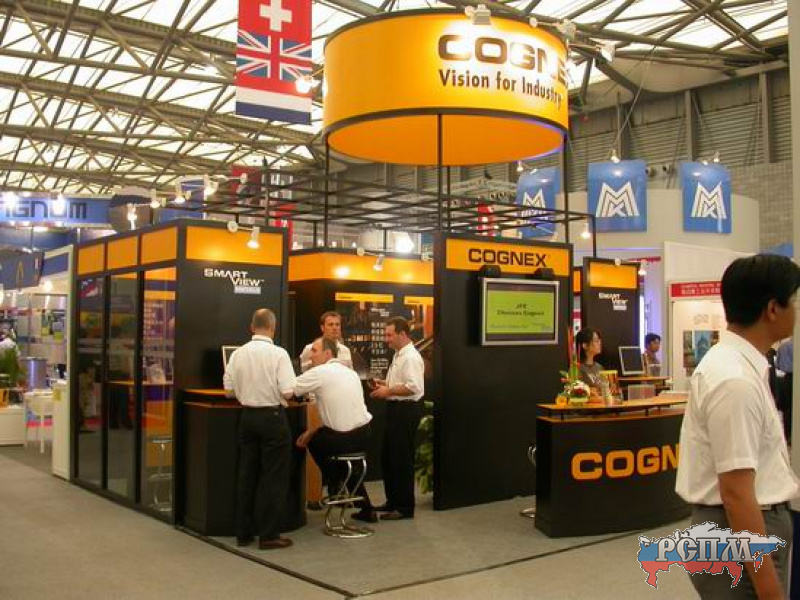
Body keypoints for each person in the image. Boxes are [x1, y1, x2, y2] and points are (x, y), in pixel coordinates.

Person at [676, 254, 800, 599]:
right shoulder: (735, 380)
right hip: (740, 537)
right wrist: (770, 592)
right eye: (793, 301)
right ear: (772, 309)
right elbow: (736, 493)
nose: (796, 310)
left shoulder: (738, 366)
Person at [223, 308, 296, 550]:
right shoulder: (279, 354)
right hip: (272, 418)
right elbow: (288, 392)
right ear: (273, 328)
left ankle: (243, 533)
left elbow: (228, 391)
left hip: (247, 417)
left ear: (251, 327)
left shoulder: (237, 354)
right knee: (273, 477)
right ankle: (269, 535)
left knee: (247, 474)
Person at [294, 337, 376, 523]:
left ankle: (335, 481)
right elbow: (339, 417)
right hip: (364, 433)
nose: (311, 356)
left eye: (314, 351)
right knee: (348, 464)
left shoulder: (320, 372)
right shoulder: (350, 372)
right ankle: (366, 508)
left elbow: (289, 389)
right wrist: (314, 430)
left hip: (344, 438)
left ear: (327, 353)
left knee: (316, 442)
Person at [369, 316, 425, 520]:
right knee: (389, 458)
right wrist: (385, 384)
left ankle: (404, 507)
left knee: (401, 460)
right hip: (396, 409)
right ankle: (392, 502)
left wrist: (388, 391)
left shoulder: (410, 357)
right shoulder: (399, 354)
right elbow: (403, 382)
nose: (386, 339)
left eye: (389, 335)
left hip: (406, 410)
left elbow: (414, 387)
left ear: (402, 334)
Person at [775, 338, 793, 442]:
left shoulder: (782, 347)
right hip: (794, 379)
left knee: (787, 409)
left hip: (786, 380)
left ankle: (788, 436)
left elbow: (778, 365)